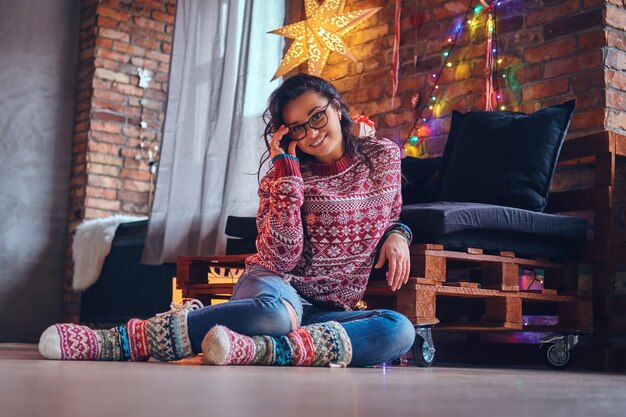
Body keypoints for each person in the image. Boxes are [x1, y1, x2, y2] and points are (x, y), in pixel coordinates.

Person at [38, 74, 416, 367]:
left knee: (399, 331)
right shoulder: (282, 176)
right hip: (274, 288)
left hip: (327, 309)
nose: (312, 132)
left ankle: (256, 350)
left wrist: (399, 232)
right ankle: (119, 341)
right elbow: (280, 259)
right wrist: (287, 172)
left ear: (336, 106)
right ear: (287, 135)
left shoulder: (380, 156)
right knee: (276, 315)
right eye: (298, 127)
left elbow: (389, 209)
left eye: (317, 116)